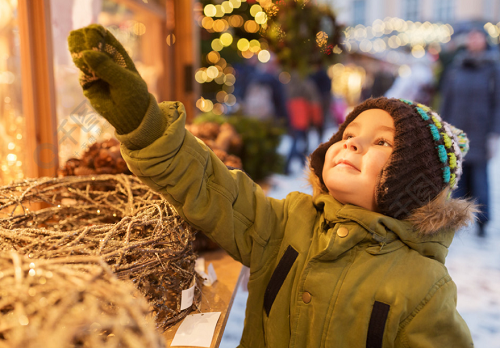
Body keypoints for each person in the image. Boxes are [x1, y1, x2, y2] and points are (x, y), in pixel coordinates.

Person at [69, 25, 476, 347]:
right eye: (350, 132)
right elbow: (209, 185)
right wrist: (144, 122)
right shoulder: (286, 223)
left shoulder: (423, 287)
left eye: (382, 141)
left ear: (413, 181)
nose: (351, 141)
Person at [440, 28, 500, 237]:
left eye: (478, 36)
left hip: (481, 132)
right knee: (457, 177)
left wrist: (494, 133)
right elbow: (447, 99)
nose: (473, 40)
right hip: (457, 130)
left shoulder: (493, 68)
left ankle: (482, 221)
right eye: (471, 36)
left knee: (480, 178)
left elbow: (497, 103)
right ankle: (455, 219)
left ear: (485, 40)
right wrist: (442, 127)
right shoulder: (457, 67)